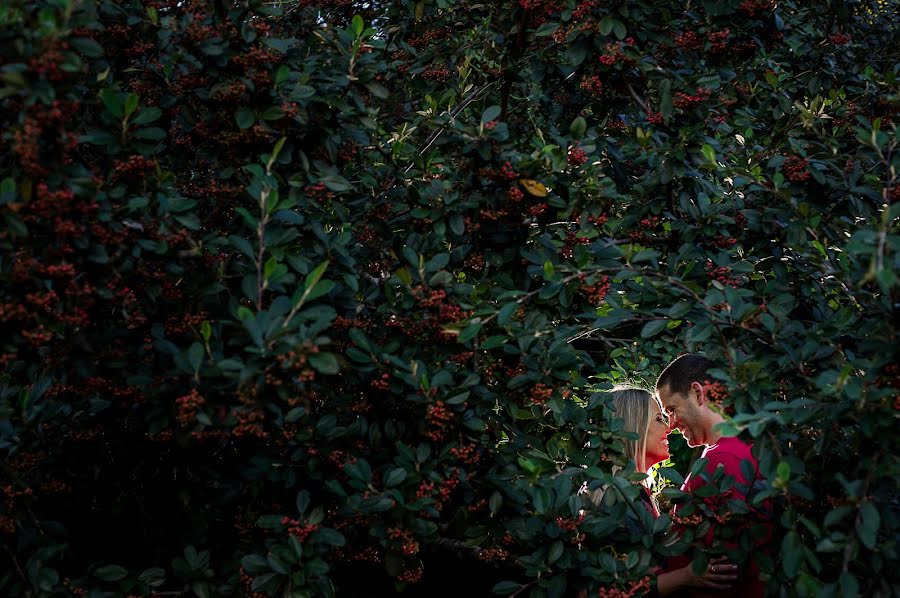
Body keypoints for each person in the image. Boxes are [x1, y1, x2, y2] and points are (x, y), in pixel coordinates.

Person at [587, 387, 739, 597]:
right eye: (659, 419)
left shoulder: (633, 493)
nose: (669, 428)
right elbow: (615, 588)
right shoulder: (616, 499)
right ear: (634, 427)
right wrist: (687, 576)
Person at [656, 355, 771, 598]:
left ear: (698, 393)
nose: (672, 424)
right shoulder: (738, 447)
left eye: (672, 410)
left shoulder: (725, 459)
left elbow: (721, 565)